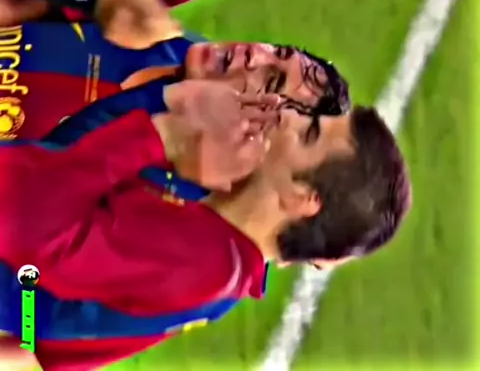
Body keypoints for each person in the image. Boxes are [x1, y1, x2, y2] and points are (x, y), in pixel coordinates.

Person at [0, 76, 411, 371]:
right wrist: (168, 102)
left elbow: (34, 225)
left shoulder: (203, 261)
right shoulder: (220, 263)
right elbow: (54, 340)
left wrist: (160, 135)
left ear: (301, 198)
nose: (288, 115)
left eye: (308, 133)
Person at [0, 17, 350, 141]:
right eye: (279, 51)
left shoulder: (147, 179)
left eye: (271, 80)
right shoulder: (157, 31)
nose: (255, 53)